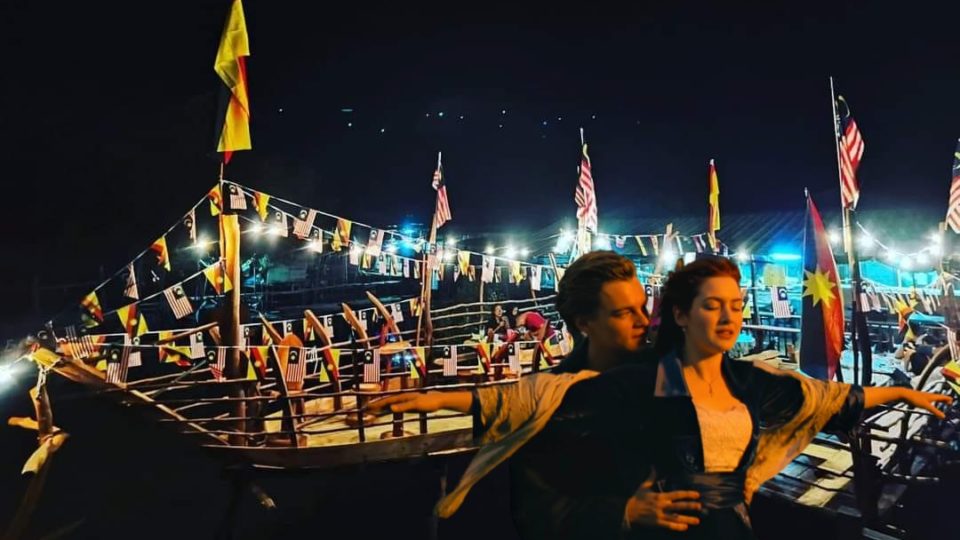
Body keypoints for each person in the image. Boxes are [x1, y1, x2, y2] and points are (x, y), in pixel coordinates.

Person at [371, 256, 952, 539]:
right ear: (581, 323)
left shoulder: (665, 372)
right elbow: (538, 511)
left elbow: (792, 392)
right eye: (624, 313)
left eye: (644, 308)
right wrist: (623, 512)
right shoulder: (558, 406)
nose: (641, 322)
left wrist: (893, 390)